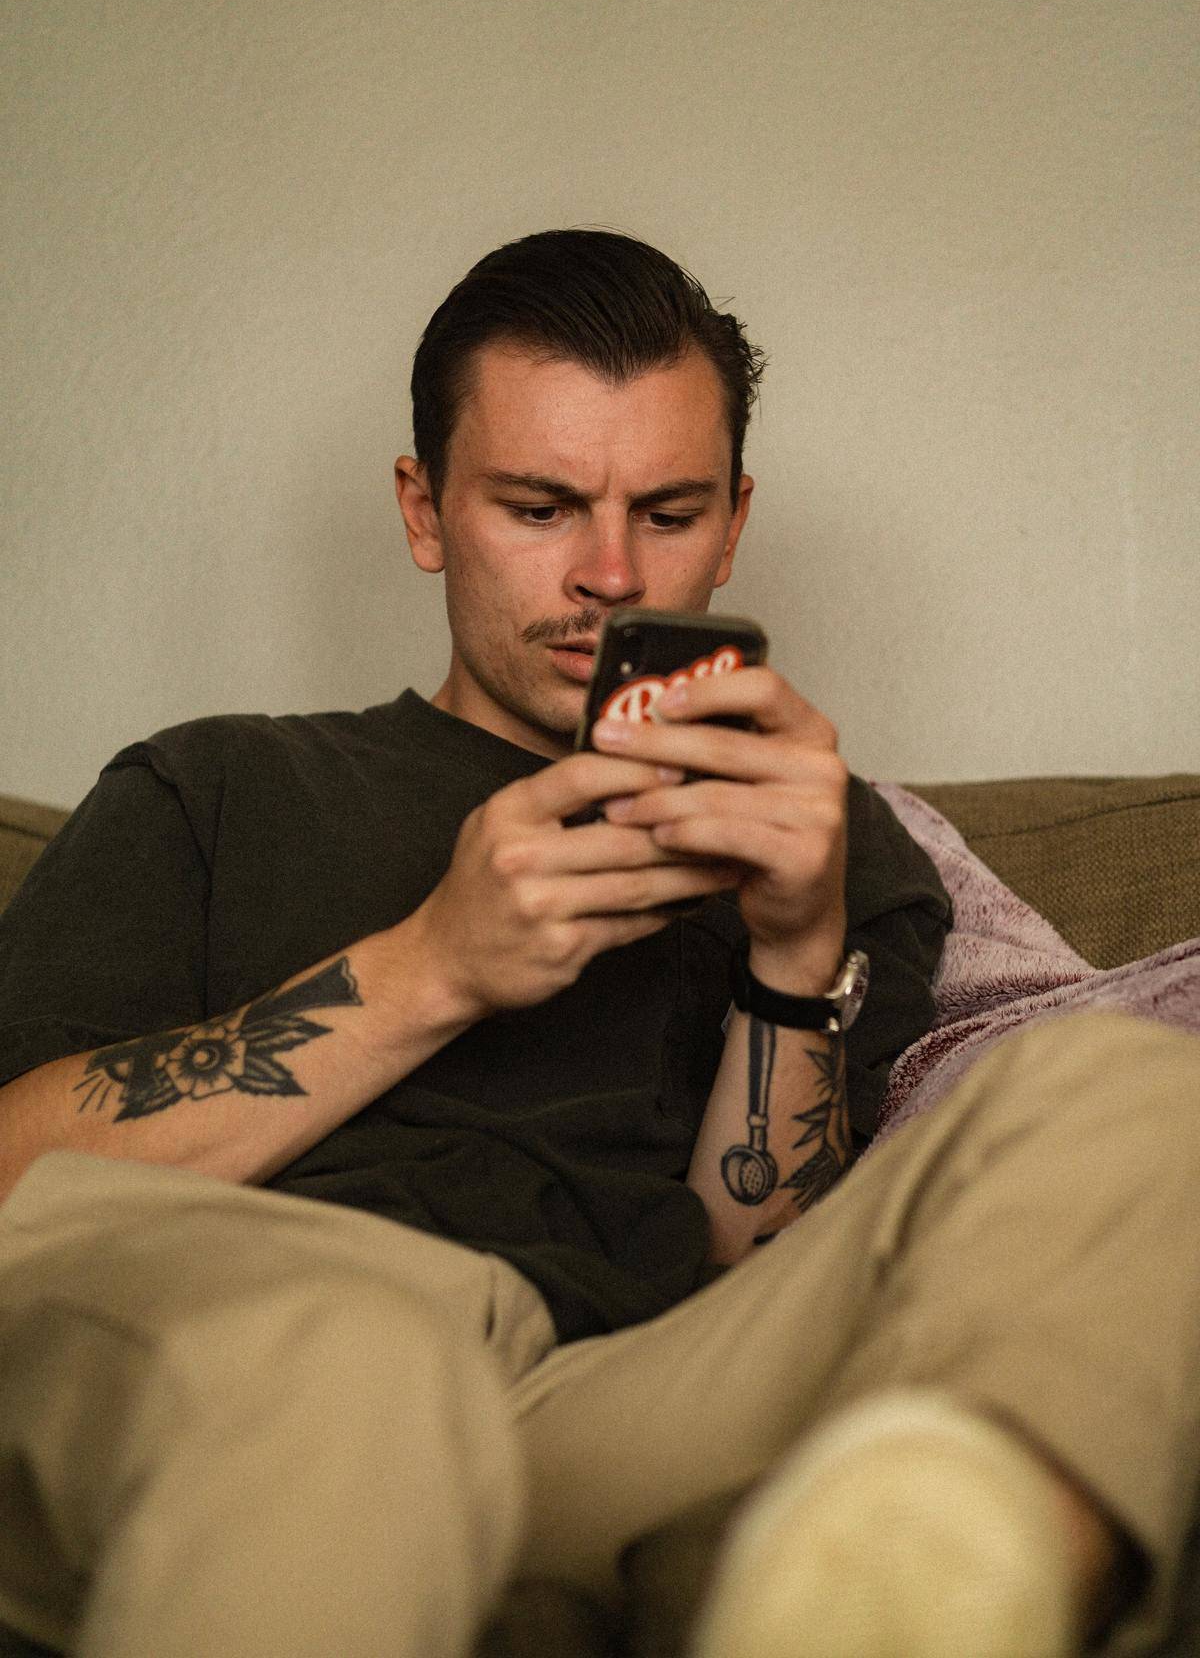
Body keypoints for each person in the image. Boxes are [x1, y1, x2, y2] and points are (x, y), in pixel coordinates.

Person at [0, 229, 1196, 1658]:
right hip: (264, 1346)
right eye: (541, 506)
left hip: (616, 1406)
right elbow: (22, 1176)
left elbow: (765, 1265)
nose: (611, 573)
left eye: (671, 511)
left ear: (736, 520)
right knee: (355, 1359)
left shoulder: (826, 846)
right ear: (425, 508)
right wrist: (431, 966)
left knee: (1132, 1094)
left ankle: (936, 1581)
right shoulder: (221, 787)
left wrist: (797, 955)